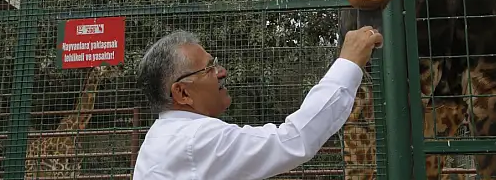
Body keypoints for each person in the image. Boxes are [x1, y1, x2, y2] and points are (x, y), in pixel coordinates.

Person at [132, 26, 383, 179]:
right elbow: (293, 140)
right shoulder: (196, 139)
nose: (222, 72)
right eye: (209, 68)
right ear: (182, 93)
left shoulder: (161, 137)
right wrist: (349, 62)